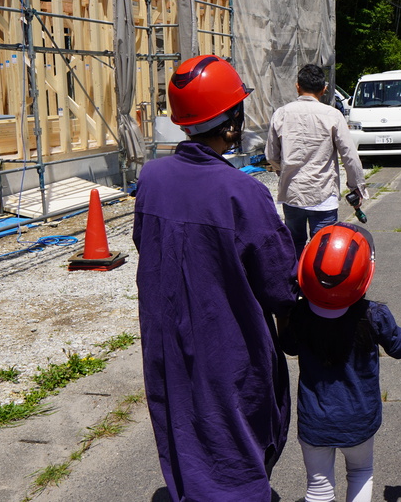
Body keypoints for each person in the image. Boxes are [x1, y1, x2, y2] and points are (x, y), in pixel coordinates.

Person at [133, 54, 300, 501]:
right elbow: (281, 282)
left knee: (183, 429)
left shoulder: (150, 179)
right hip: (230, 346)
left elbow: (145, 245)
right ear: (230, 124)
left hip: (166, 341)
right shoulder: (244, 192)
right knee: (236, 441)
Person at [280, 223, 401, 502]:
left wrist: (284, 310)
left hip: (315, 419)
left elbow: (289, 347)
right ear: (364, 275)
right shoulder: (373, 315)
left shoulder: (299, 313)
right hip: (359, 419)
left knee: (318, 489)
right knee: (361, 471)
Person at [266, 63, 368, 252]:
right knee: (324, 250)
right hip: (323, 195)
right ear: (324, 89)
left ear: (297, 86)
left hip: (292, 193)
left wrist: (284, 171)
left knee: (294, 246)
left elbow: (271, 155)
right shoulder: (333, 115)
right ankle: (317, 281)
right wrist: (356, 187)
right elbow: (350, 157)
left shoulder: (281, 114)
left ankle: (295, 281)